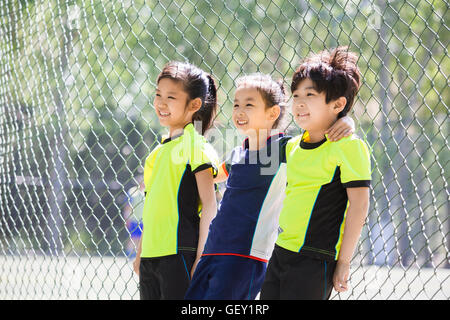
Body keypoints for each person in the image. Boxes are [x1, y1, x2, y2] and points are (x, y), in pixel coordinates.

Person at [185, 73, 355, 300]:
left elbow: (319, 132)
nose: (239, 111)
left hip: (245, 255)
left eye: (249, 104)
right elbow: (214, 175)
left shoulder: (283, 147)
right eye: (236, 104)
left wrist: (346, 121)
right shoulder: (239, 152)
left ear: (273, 113)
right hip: (214, 249)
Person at [260, 46, 371, 300]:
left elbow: (359, 206)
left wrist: (344, 261)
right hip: (280, 253)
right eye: (296, 95)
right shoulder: (290, 146)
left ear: (338, 103)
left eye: (310, 95)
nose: (299, 103)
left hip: (315, 259)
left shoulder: (349, 147)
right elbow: (253, 145)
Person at [132, 61, 219, 300]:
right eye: (158, 94)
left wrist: (201, 257)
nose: (161, 102)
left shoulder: (196, 146)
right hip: (151, 255)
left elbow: (210, 207)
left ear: (194, 105)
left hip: (180, 253)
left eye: (171, 97)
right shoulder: (156, 154)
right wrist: (140, 253)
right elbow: (150, 207)